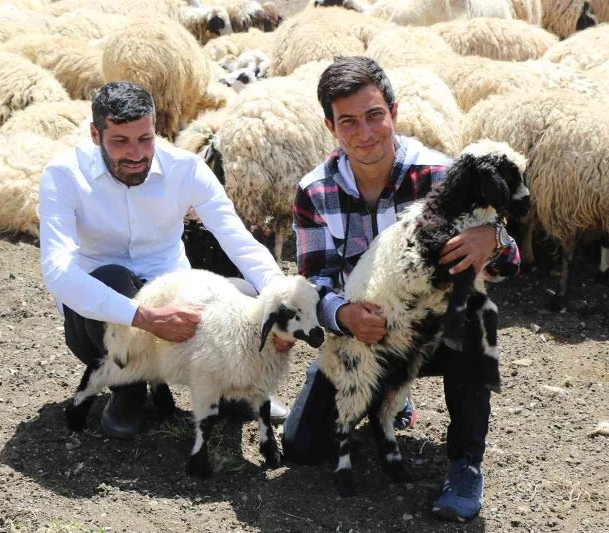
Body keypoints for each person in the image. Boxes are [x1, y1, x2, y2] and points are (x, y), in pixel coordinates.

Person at [281, 57, 520, 522]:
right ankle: (389, 394)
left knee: (475, 318)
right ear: (330, 127)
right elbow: (313, 280)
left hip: (434, 334)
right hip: (362, 338)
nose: (365, 133)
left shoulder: (444, 176)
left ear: (394, 111)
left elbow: (509, 265)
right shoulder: (314, 191)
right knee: (302, 447)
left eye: (374, 115)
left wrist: (493, 239)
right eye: (348, 121)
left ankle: (466, 463)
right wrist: (342, 315)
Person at [39, 81, 291, 439]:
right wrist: (146, 318)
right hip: (99, 318)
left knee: (245, 293)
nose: (136, 153)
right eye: (120, 141)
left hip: (176, 299)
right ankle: (129, 391)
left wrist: (280, 301)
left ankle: (233, 389)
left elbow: (239, 241)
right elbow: (58, 270)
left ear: (155, 128)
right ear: (96, 134)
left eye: (145, 139)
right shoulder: (64, 175)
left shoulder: (185, 169)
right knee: (110, 278)